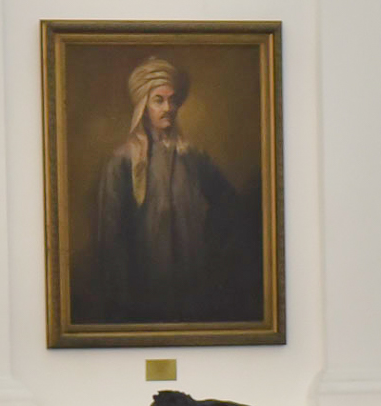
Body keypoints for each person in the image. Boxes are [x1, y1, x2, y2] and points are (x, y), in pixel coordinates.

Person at [83, 56, 262, 326]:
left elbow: (230, 209)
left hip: (195, 291)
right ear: (143, 105)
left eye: (173, 100)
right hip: (142, 295)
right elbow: (111, 241)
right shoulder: (121, 163)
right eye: (159, 100)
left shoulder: (194, 158)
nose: (168, 108)